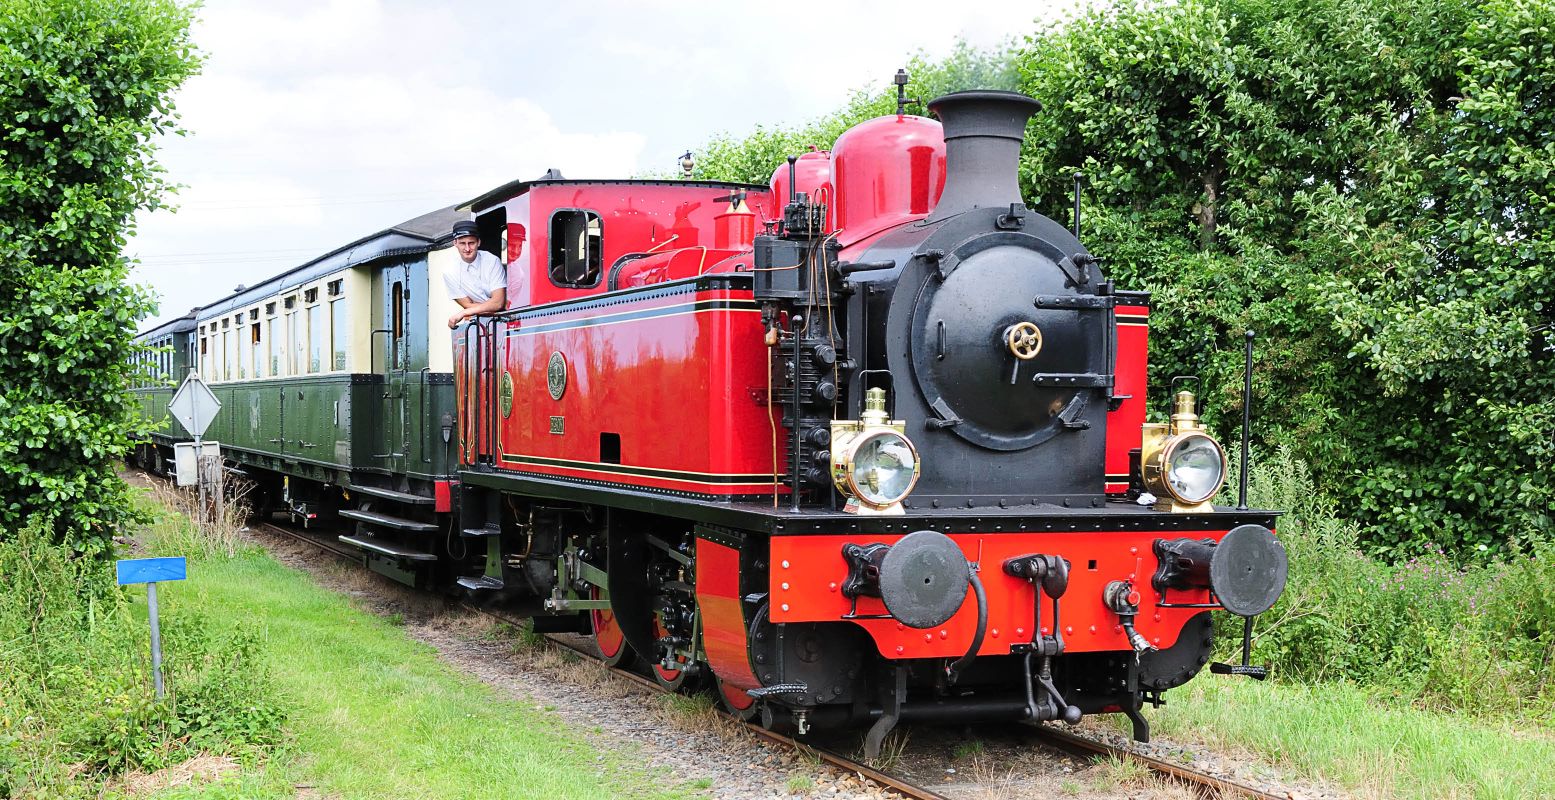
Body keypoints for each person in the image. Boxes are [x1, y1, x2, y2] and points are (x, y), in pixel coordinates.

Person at [444, 220, 507, 328]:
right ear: (455, 243)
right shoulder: (449, 272)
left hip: (504, 322)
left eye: (471, 243)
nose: (467, 249)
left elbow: (498, 302)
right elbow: (468, 305)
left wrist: (464, 313)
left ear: (478, 242)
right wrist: (492, 307)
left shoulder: (492, 261)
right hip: (479, 325)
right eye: (462, 243)